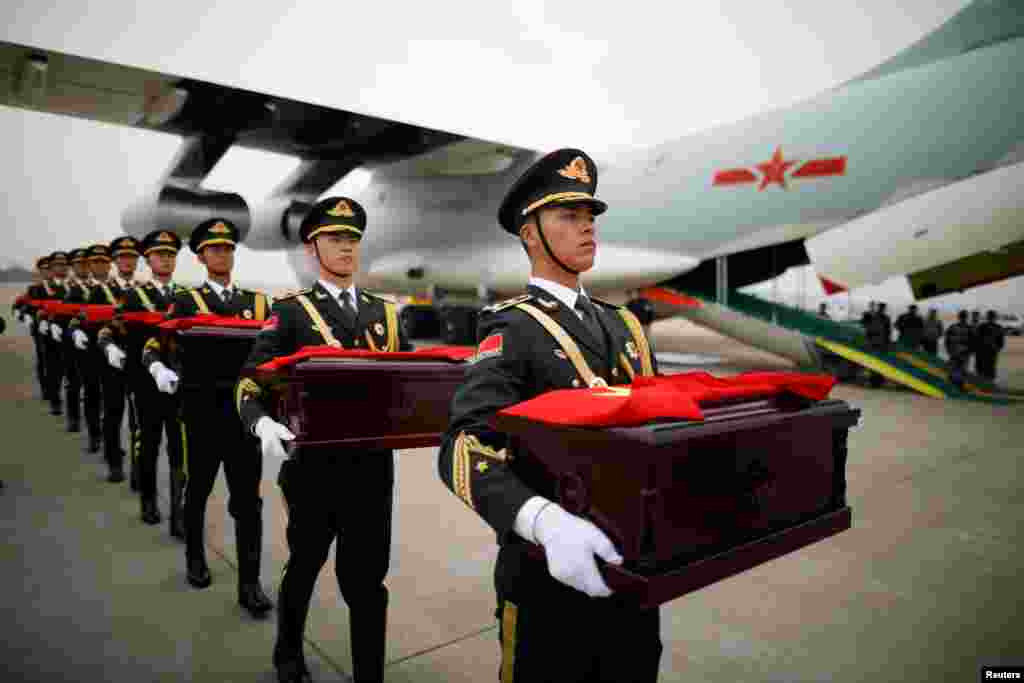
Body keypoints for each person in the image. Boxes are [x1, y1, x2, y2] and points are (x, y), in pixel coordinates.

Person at [438, 149, 662, 683]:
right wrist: (543, 520)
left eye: (589, 217)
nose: (587, 228)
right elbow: (463, 448)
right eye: (568, 217)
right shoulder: (512, 329)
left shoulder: (625, 325)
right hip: (545, 578)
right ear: (530, 234)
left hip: (635, 574)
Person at [235, 196, 411, 683]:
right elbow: (251, 380)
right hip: (313, 468)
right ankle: (287, 651)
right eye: (336, 239)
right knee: (306, 563)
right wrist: (261, 423)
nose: (347, 248)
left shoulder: (388, 315)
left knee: (368, 581)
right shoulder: (291, 313)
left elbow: (408, 378)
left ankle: (368, 673)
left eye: (353, 238)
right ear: (312, 249)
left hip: (373, 470)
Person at [146, 218, 275, 617]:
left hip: (242, 416)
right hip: (200, 415)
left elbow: (272, 354)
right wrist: (156, 367)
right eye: (214, 248)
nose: (222, 254)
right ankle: (195, 558)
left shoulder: (258, 303)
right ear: (201, 256)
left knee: (248, 503)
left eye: (228, 248)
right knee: (198, 491)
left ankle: (249, 583)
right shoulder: (186, 301)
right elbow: (157, 341)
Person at [98, 231, 185, 529]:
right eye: (160, 254)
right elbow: (108, 330)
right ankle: (148, 499)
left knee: (180, 448)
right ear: (148, 259)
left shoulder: (187, 297)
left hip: (180, 385)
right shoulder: (134, 296)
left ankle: (178, 511)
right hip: (144, 382)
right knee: (147, 442)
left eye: (171, 254)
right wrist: (109, 348)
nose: (165, 259)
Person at [96, 236, 143, 484]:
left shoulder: (145, 290)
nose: (127, 261)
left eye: (131, 257)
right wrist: (108, 346)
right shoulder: (101, 290)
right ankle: (114, 461)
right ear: (115, 261)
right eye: (122, 257)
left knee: (139, 421)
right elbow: (86, 320)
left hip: (138, 362)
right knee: (113, 413)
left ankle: (138, 468)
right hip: (111, 360)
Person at [40, 251, 70, 416]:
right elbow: (38, 308)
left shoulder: (74, 286)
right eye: (58, 265)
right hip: (50, 331)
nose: (62, 267)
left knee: (71, 369)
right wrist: (44, 322)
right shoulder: (43, 287)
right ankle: (55, 400)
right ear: (52, 267)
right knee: (54, 367)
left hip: (71, 331)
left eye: (64, 264)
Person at [973, 310, 1005, 381]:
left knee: (984, 371)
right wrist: (996, 348)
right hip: (987, 353)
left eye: (991, 316)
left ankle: (985, 385)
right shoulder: (998, 327)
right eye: (991, 316)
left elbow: (976, 340)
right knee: (987, 370)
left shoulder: (982, 326)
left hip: (985, 353)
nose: (991, 318)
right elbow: (1001, 343)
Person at [945, 310, 972, 389]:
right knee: (953, 369)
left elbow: (973, 341)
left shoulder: (969, 328)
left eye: (964, 317)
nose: (963, 318)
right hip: (955, 351)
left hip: (963, 352)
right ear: (959, 317)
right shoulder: (953, 327)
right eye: (962, 316)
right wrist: (949, 350)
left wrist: (968, 351)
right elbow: (947, 340)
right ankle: (951, 385)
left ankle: (960, 385)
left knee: (962, 370)